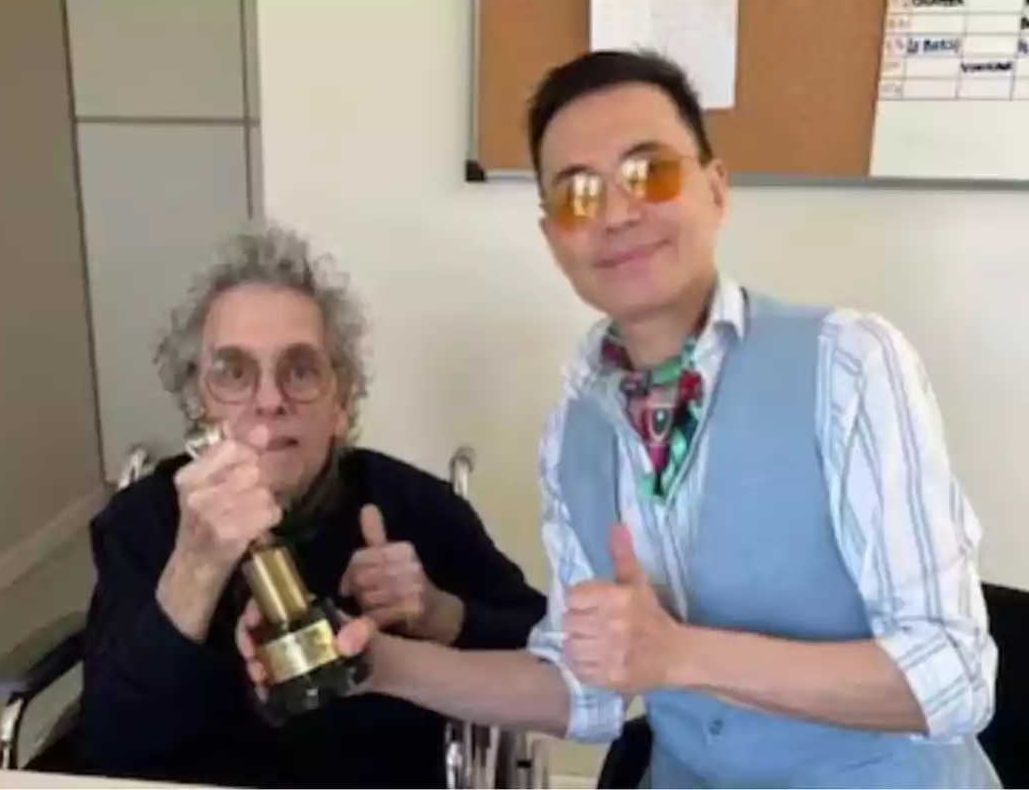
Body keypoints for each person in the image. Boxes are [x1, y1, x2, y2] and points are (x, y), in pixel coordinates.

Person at [240, 51, 1001, 788]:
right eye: (576, 194)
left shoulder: (849, 365)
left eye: (650, 172)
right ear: (552, 238)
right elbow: (584, 688)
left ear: (716, 189)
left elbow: (952, 676)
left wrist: (681, 657)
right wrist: (375, 663)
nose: (615, 212)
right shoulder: (578, 429)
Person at [77, 223, 547, 789]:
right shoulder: (143, 521)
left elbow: (550, 657)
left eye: (300, 370)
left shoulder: (414, 508)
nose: (269, 400)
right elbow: (112, 740)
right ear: (197, 402)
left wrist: (440, 614)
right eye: (233, 372)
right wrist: (194, 570)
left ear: (341, 403)